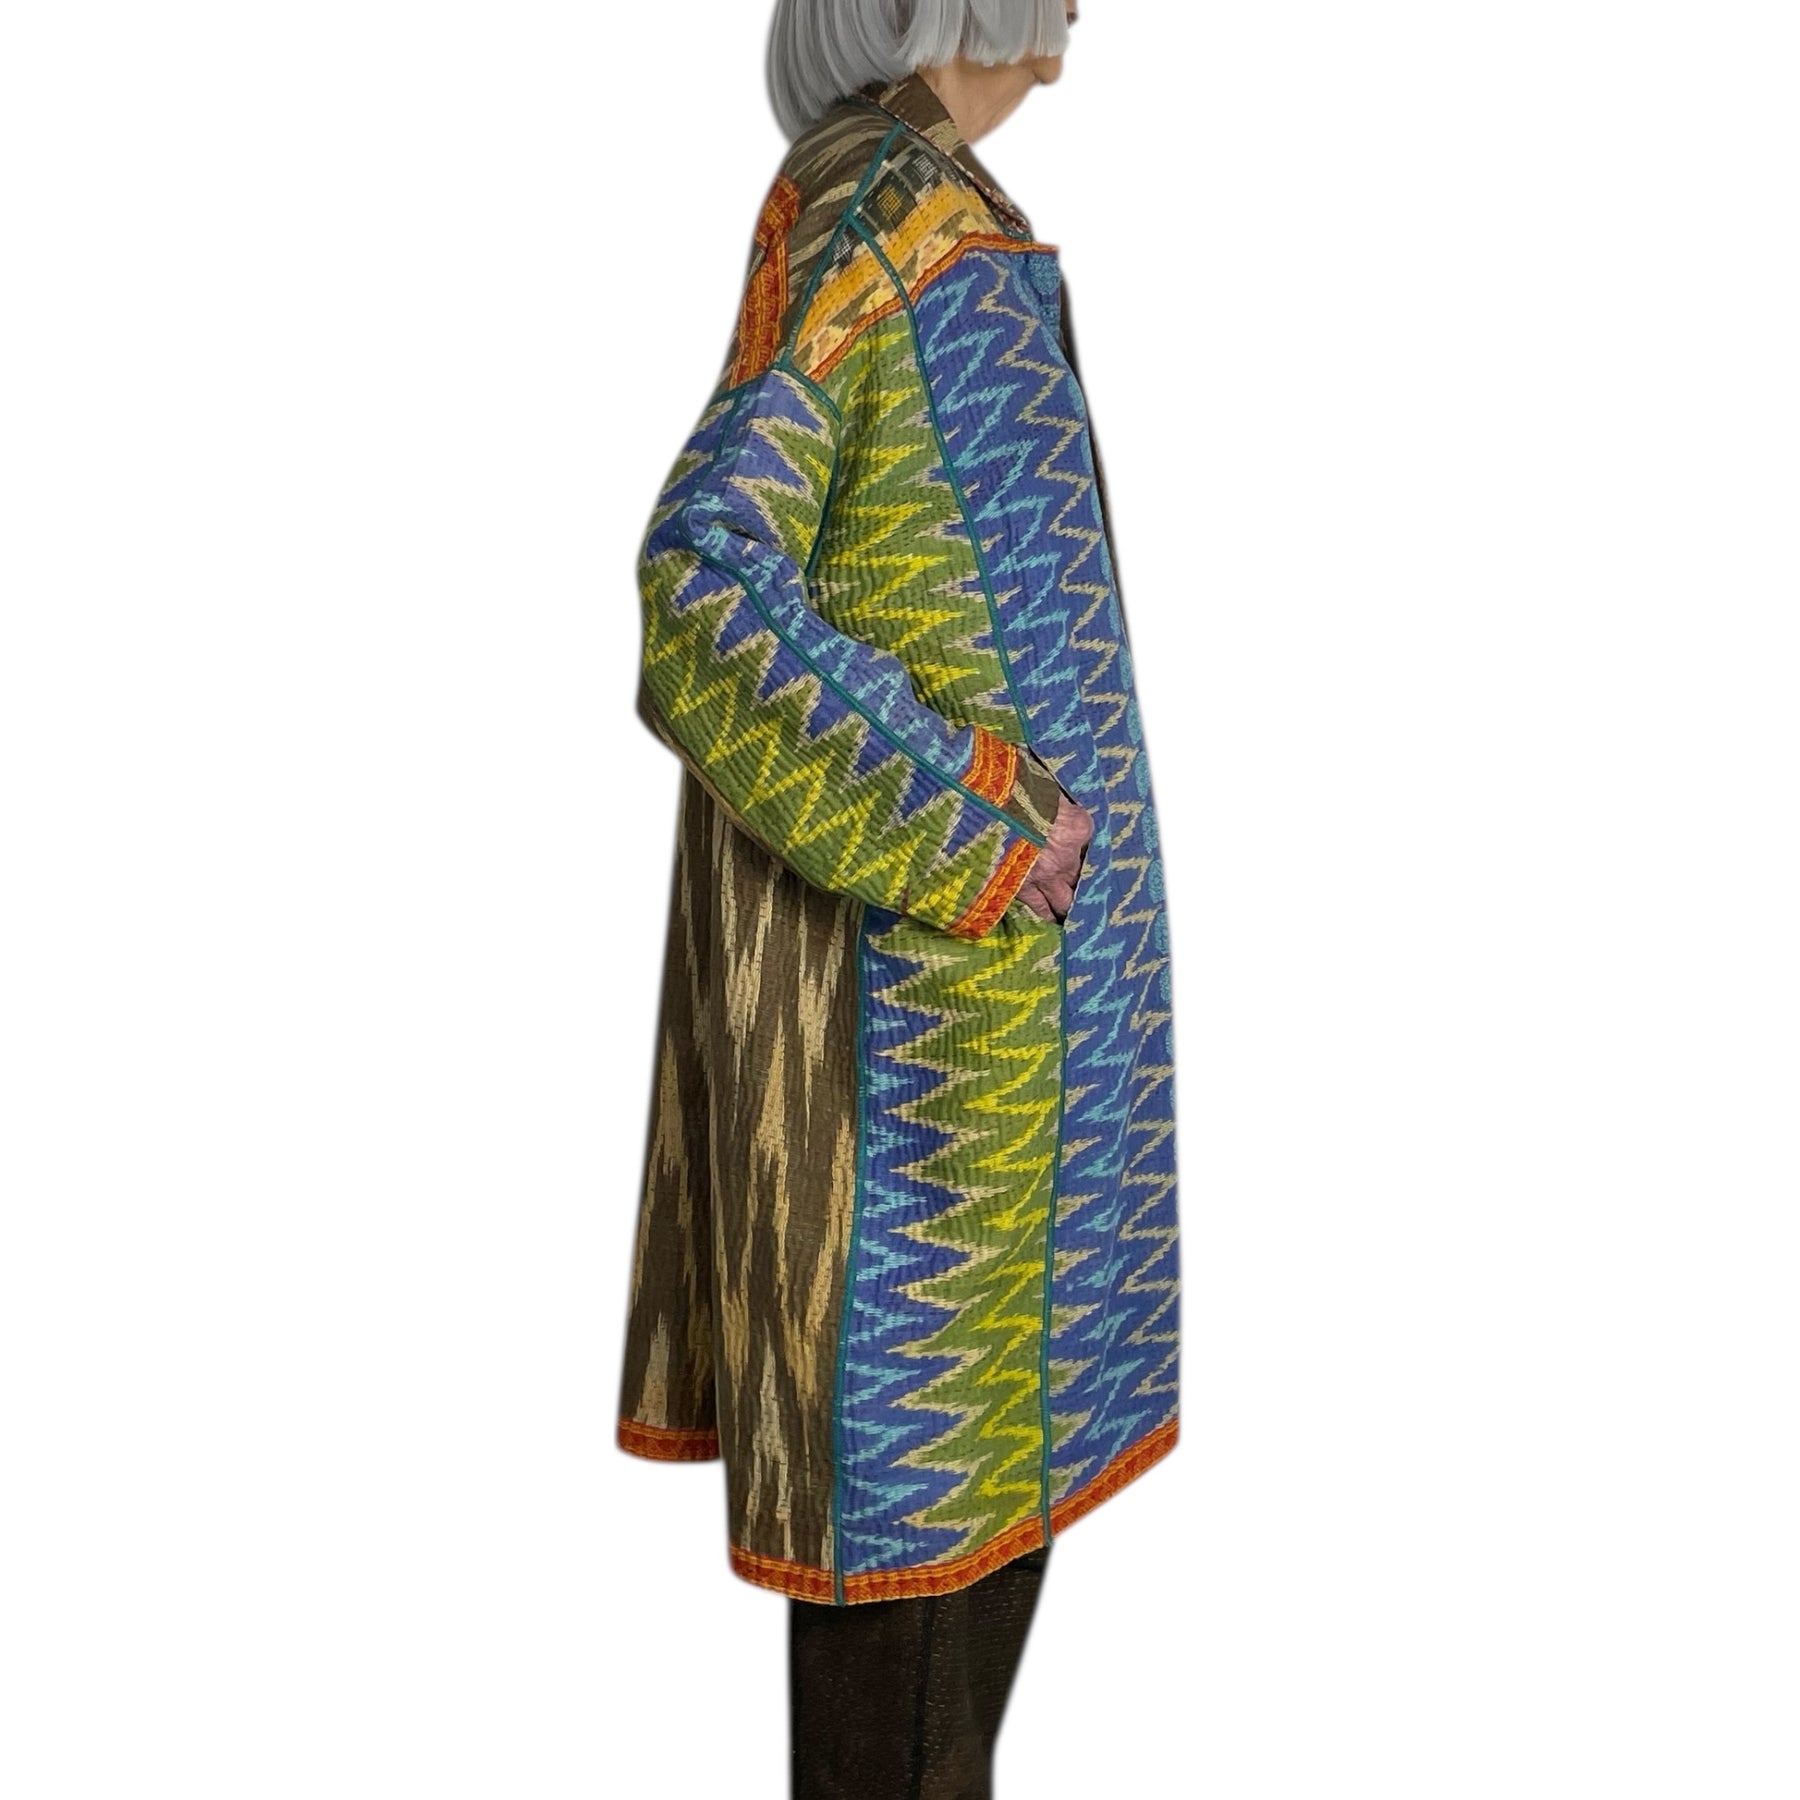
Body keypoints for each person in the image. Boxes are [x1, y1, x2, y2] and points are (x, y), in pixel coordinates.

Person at [617, 3, 1180, 1792]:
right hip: (923, 1106)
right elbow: (705, 584)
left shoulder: (947, 209)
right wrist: (985, 820)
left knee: (961, 1675)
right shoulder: (876, 213)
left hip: (1018, 1093)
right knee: (907, 1682)